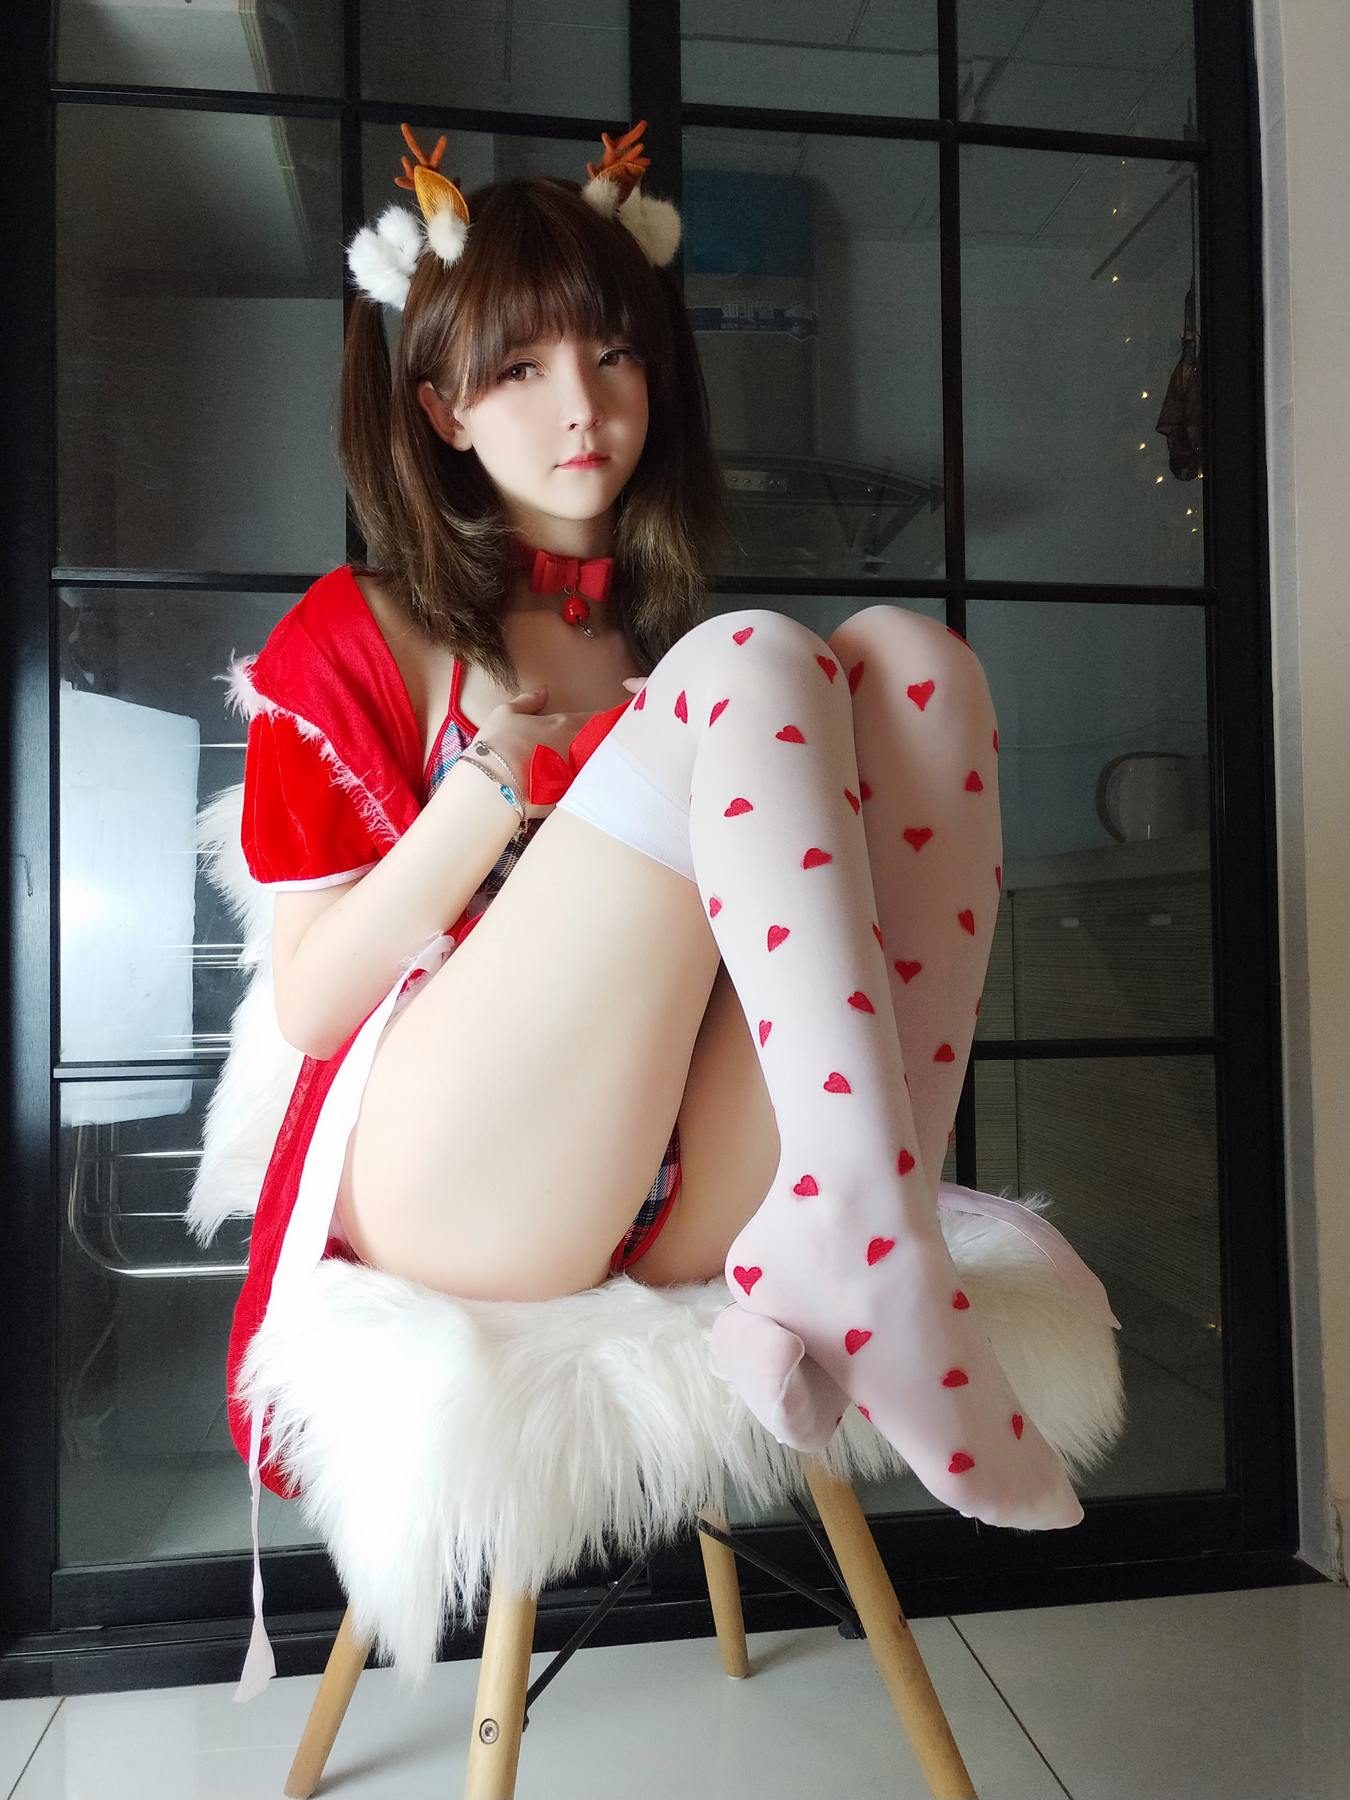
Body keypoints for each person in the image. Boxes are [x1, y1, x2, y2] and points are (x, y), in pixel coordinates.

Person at [224, 121, 1119, 1698]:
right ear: (439, 409)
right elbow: (308, 1004)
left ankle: (853, 1239)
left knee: (912, 663)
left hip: (685, 1185)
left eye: (614, 353)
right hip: (456, 1188)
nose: (581, 404)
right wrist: (480, 801)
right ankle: (873, 1250)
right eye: (518, 370)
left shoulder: (665, 653)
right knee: (756, 658)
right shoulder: (361, 633)